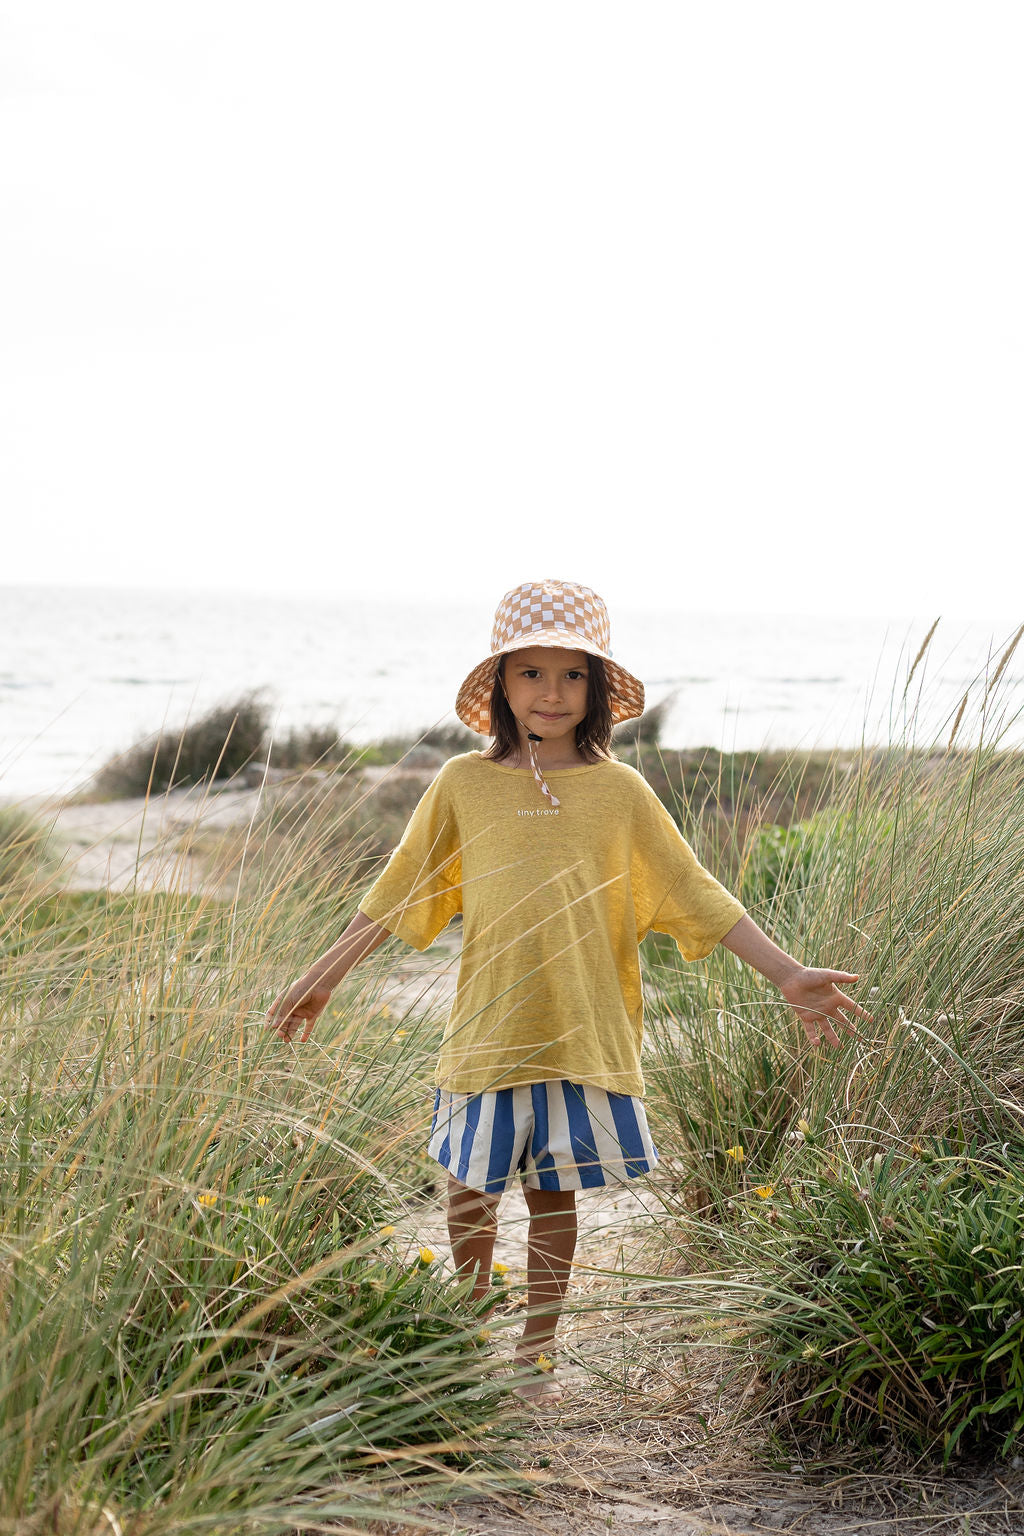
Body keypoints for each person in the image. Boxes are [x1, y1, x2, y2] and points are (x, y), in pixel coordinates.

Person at [266, 579, 870, 1405]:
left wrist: (788, 973)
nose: (551, 693)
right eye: (530, 674)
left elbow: (696, 892)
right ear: (501, 686)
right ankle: (465, 1332)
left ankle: (537, 1352)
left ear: (594, 688)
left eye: (571, 675)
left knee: (554, 1199)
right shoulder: (460, 784)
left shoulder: (620, 792)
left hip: (582, 1030)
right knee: (468, 1192)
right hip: (488, 1027)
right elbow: (398, 891)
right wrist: (319, 978)